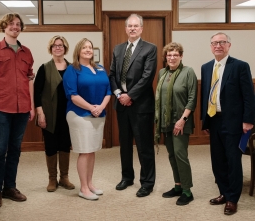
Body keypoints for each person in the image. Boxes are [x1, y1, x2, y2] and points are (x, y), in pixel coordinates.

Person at [201, 32, 255, 215]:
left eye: (222, 42)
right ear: (210, 46)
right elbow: (205, 96)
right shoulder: (206, 67)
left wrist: (248, 120)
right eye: (214, 43)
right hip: (214, 119)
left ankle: (233, 198)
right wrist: (205, 121)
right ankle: (224, 192)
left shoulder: (240, 66)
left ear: (229, 45)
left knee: (233, 160)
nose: (218, 45)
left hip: (234, 122)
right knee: (218, 160)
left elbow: (249, 96)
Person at [0, 13, 35, 209]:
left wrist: (31, 106)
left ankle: (10, 187)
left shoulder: (27, 52)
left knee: (15, 150)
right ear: (3, 27)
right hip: (0, 108)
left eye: (18, 24)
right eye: (11, 24)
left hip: (22, 108)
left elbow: (30, 80)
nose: (15, 27)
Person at [109, 14, 157, 197]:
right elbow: (112, 74)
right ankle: (127, 177)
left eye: (136, 26)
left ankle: (147, 182)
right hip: (121, 104)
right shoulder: (118, 49)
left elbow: (147, 77)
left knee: (144, 146)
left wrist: (130, 96)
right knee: (125, 145)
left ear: (141, 28)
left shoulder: (150, 49)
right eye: (130, 26)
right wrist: (119, 94)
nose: (133, 28)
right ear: (126, 28)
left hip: (141, 105)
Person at [63, 38, 111, 201]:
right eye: (84, 47)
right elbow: (72, 95)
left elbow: (109, 91)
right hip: (79, 114)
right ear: (78, 50)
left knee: (91, 150)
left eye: (90, 47)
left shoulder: (100, 68)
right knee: (84, 151)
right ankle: (83, 188)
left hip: (99, 114)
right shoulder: (72, 69)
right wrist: (91, 107)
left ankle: (90, 184)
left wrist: (101, 107)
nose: (88, 50)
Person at [154, 42, 197, 206]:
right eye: (169, 55)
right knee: (171, 155)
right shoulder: (162, 73)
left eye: (175, 55)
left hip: (181, 121)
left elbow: (192, 100)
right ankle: (178, 186)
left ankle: (187, 191)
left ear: (181, 56)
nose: (172, 57)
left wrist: (182, 120)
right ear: (165, 57)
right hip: (166, 122)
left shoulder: (188, 72)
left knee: (180, 155)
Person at [34, 35, 75, 192]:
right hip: (49, 114)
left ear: (65, 48)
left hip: (68, 114)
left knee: (65, 145)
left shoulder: (72, 68)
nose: (58, 48)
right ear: (50, 48)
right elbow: (37, 93)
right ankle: (52, 179)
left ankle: (64, 178)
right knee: (51, 146)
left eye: (61, 45)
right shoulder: (44, 68)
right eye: (55, 45)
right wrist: (40, 113)